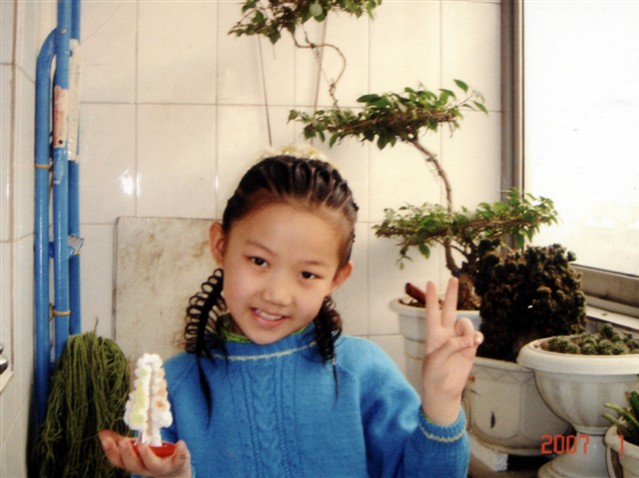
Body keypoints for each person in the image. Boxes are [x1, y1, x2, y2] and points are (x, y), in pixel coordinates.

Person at [99, 154, 484, 477]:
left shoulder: (362, 372)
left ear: (336, 278)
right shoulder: (175, 388)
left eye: (307, 274)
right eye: (259, 261)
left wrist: (442, 404)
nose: (277, 295)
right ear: (220, 245)